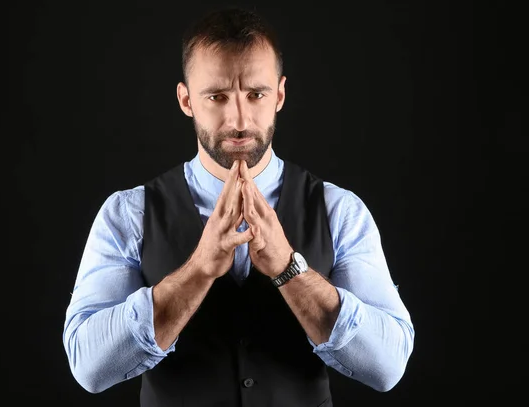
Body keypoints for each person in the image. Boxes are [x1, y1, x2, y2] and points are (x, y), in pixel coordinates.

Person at [62, 6, 414, 407]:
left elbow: (388, 366)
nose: (239, 118)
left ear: (279, 95)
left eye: (256, 94)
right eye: (217, 96)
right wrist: (198, 270)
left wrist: (289, 268)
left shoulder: (339, 210)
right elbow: (89, 367)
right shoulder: (128, 214)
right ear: (186, 100)